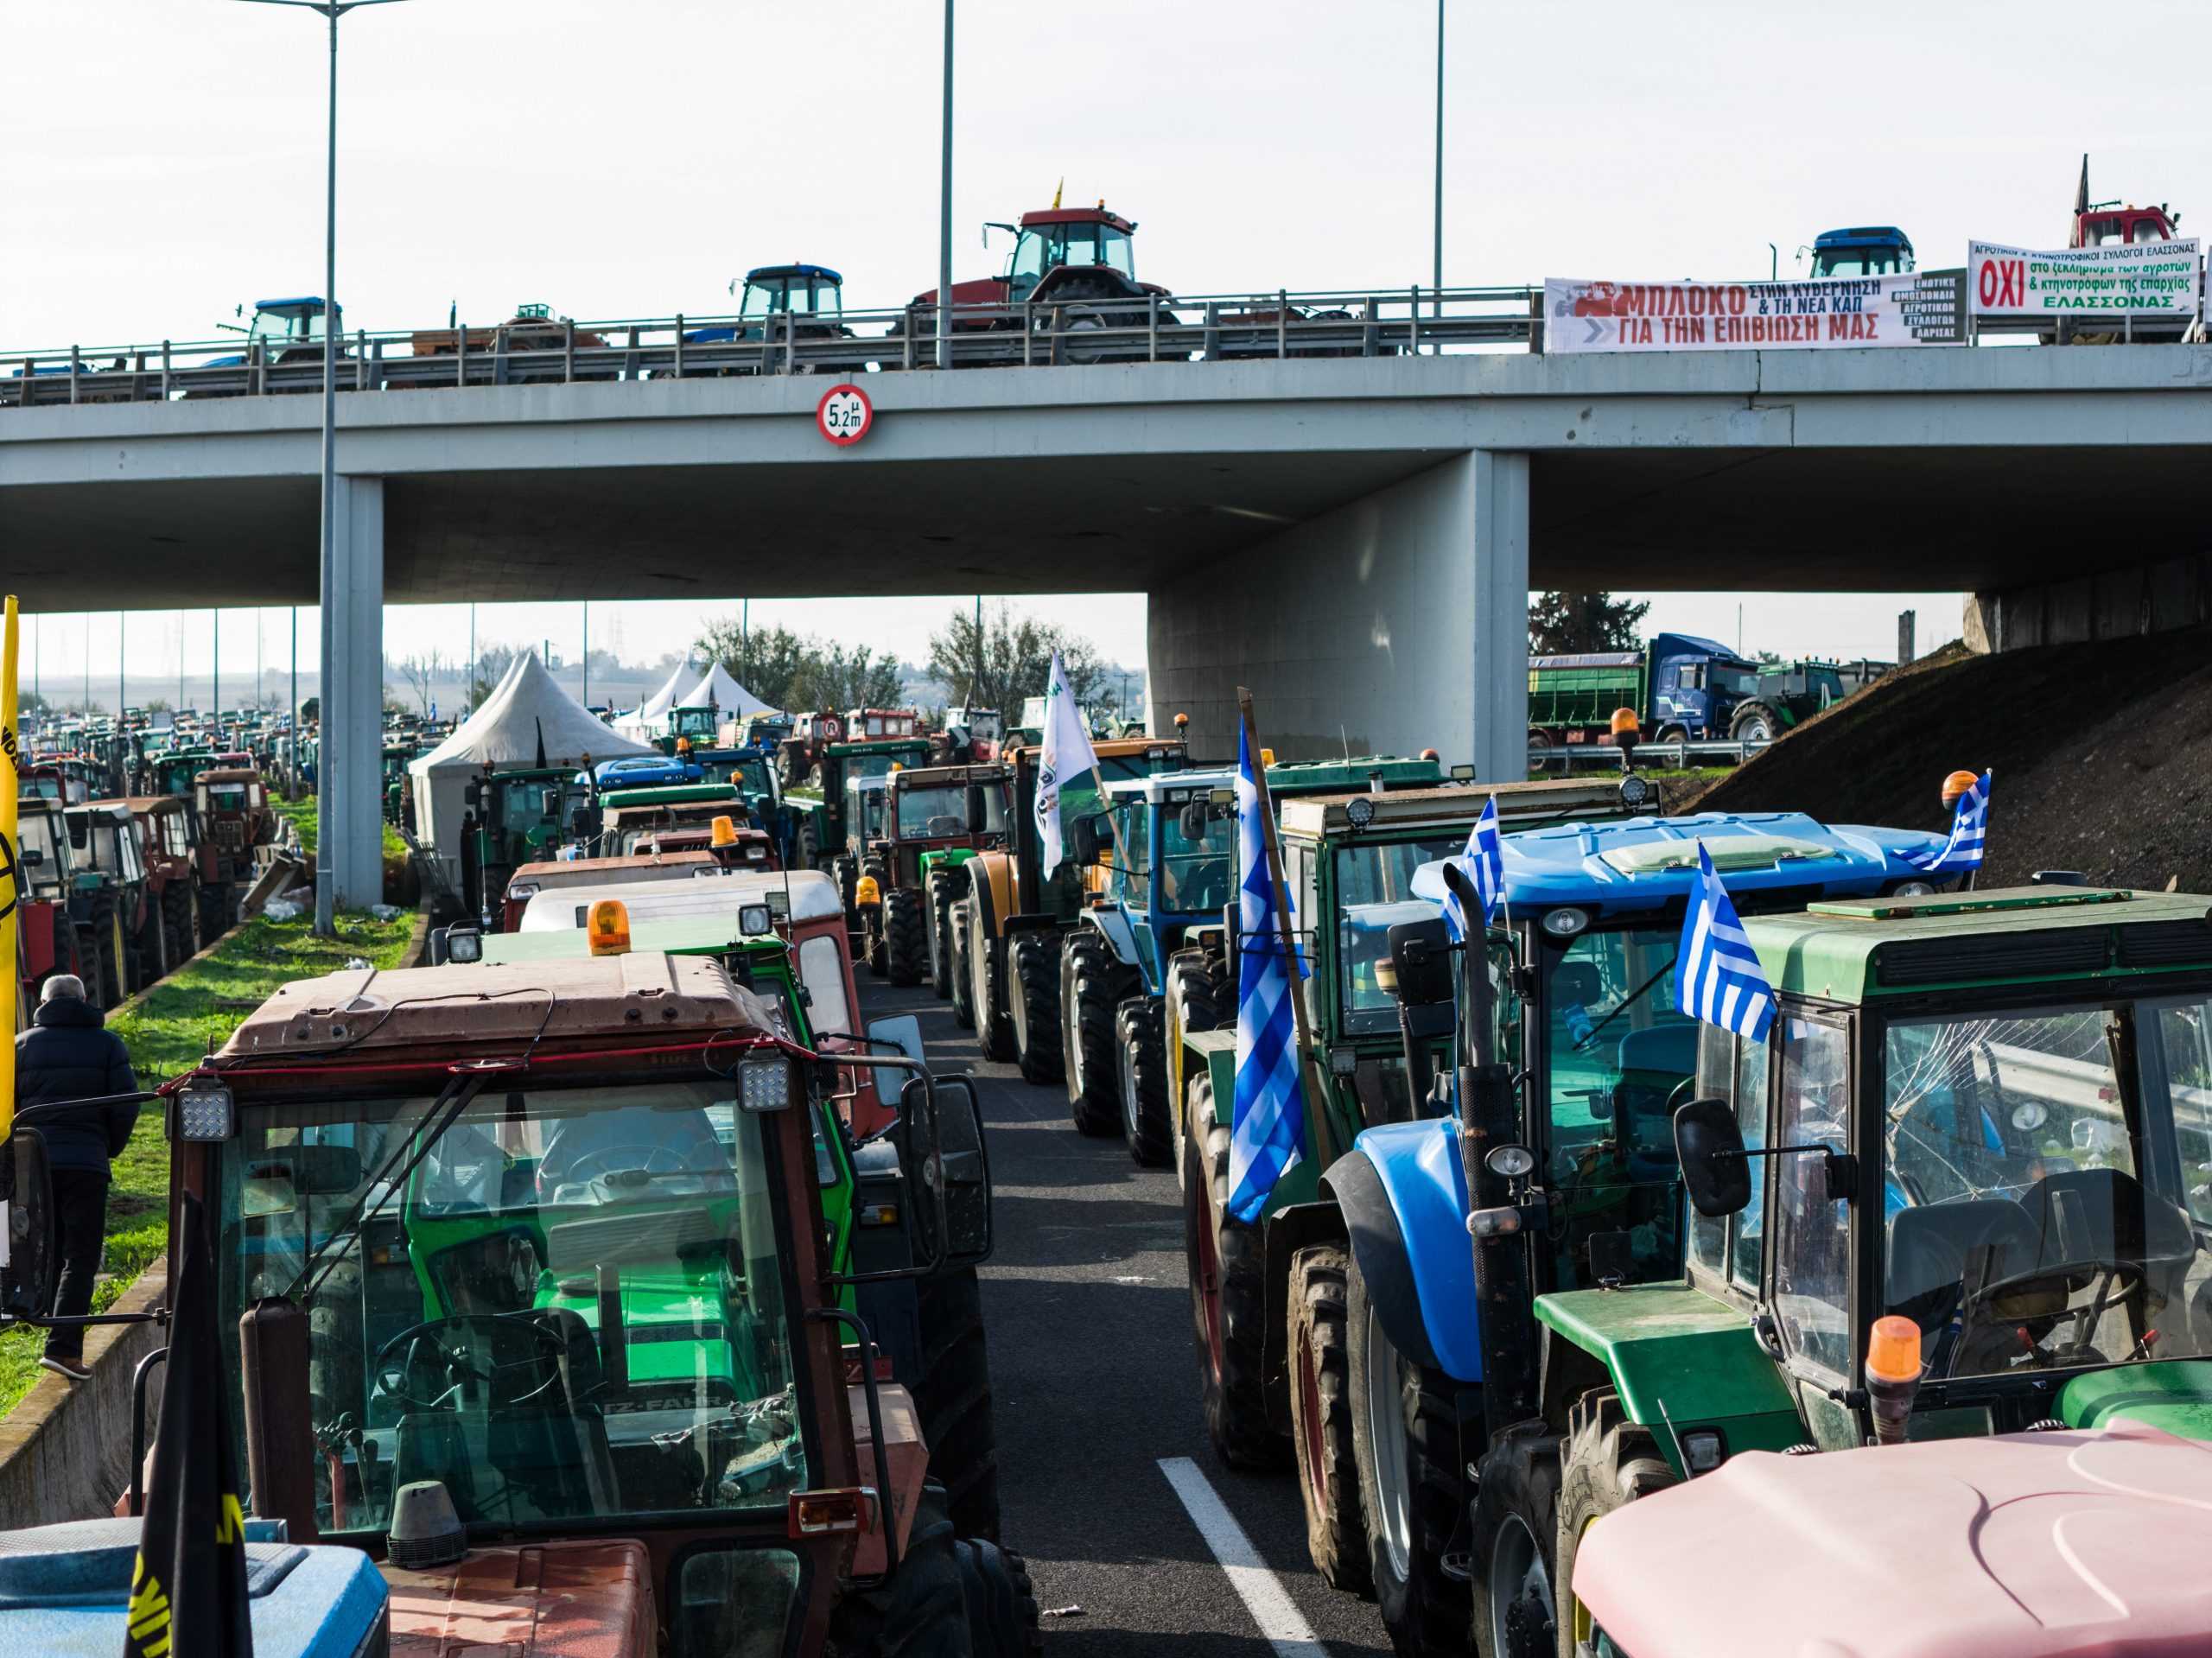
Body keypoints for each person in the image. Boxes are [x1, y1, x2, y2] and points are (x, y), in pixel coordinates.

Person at [17, 975, 140, 1382]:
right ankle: (63, 1349)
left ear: (43, 1002)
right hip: (85, 1162)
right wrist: (107, 1147)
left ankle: (32, 1316)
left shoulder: (20, 1045)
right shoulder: (108, 1044)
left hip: (33, 1162)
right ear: (84, 999)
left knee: (41, 1247)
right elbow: (125, 1106)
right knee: (80, 1255)